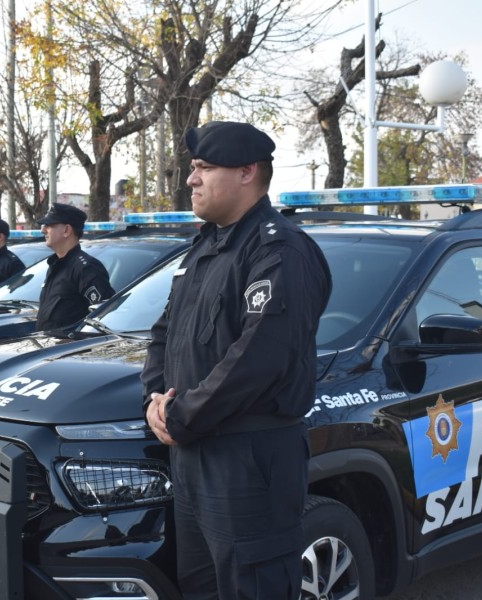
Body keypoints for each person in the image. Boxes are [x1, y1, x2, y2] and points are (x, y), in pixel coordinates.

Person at [140, 121, 332, 600]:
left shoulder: (279, 249)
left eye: (204, 167)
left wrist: (180, 416)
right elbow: (166, 331)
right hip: (192, 454)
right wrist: (154, 400)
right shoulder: (205, 247)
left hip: (248, 459)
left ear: (247, 172)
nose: (192, 179)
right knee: (200, 587)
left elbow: (261, 356)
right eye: (193, 168)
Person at [35, 203, 113, 332]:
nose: (43, 230)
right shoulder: (56, 264)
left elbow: (103, 318)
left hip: (70, 348)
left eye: (49, 225)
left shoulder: (86, 268)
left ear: (66, 230)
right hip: (50, 347)